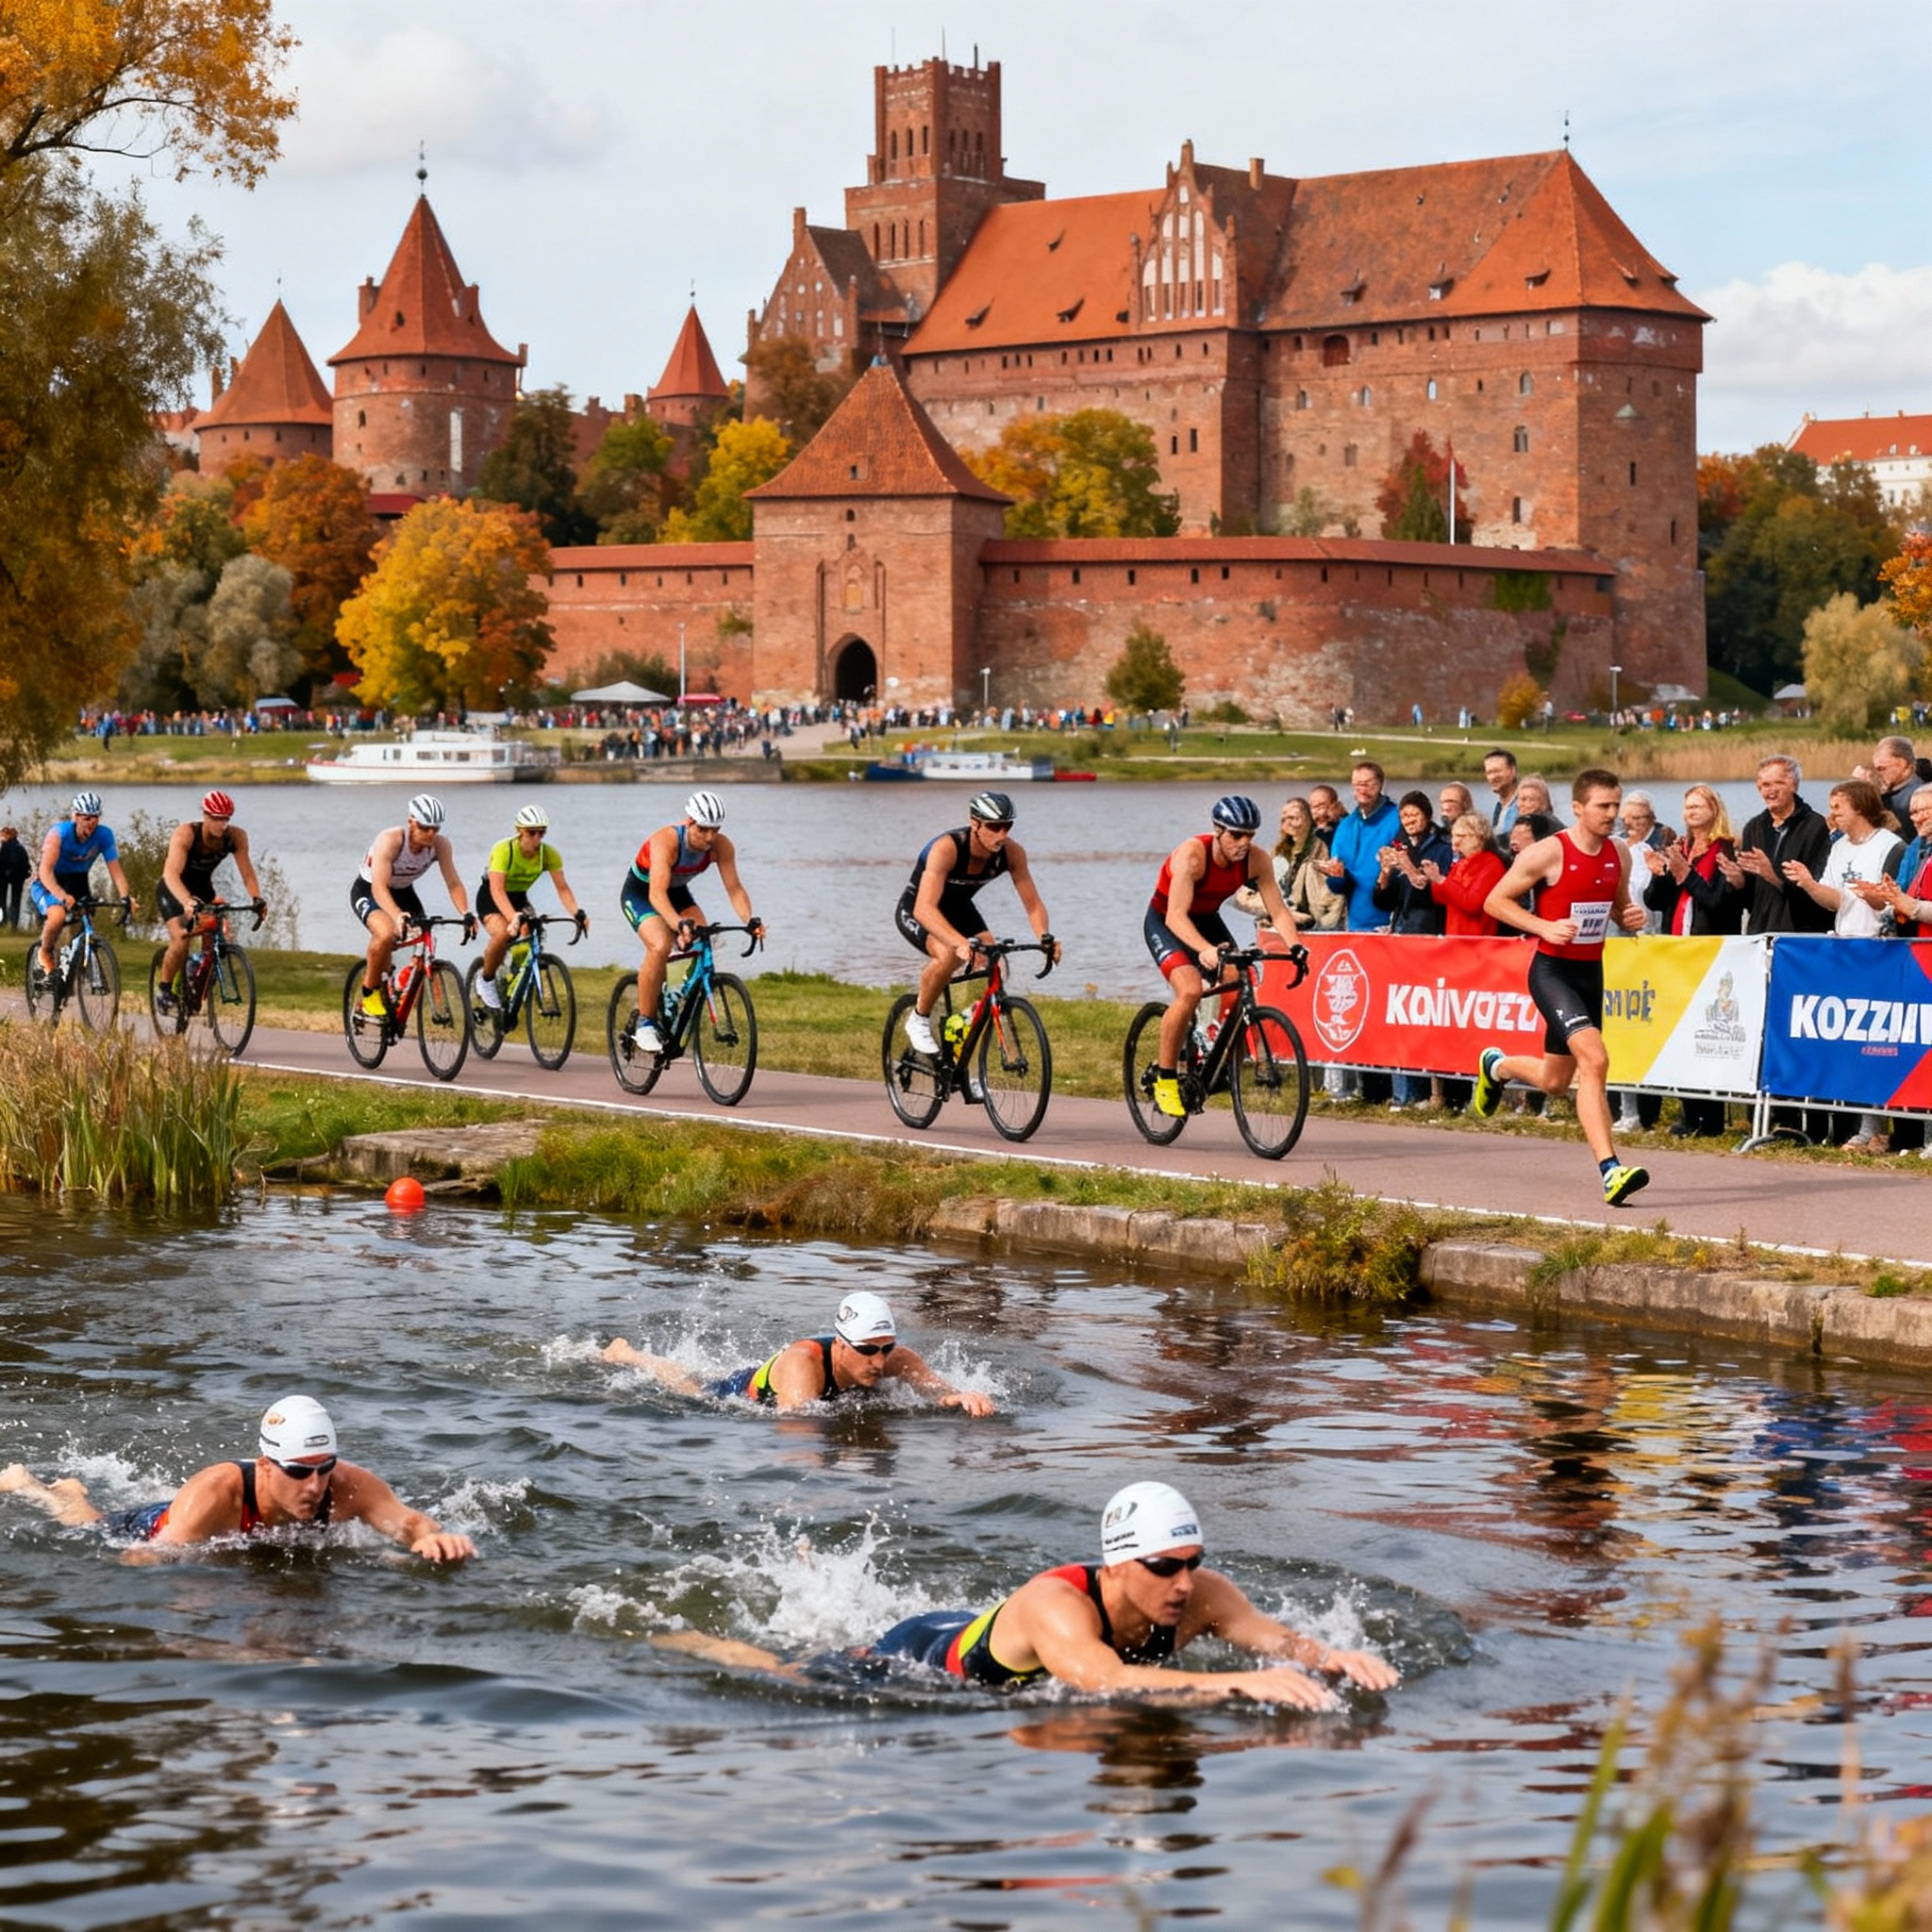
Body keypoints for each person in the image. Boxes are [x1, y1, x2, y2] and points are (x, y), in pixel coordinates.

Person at [659, 1482, 1398, 1708]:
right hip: (923, 1656)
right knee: (787, 1676)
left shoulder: (1203, 1594)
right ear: (1116, 1565)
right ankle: (681, 1639)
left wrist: (1333, 1657)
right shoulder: (1059, 1603)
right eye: (1164, 1566)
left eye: (1192, 1563)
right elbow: (1100, 1679)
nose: (1183, 1582)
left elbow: (1277, 1641)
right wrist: (1239, 1683)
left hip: (990, 1632)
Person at [0, 1395, 476, 1563]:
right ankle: (48, 1488)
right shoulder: (218, 1492)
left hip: (241, 1539)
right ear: (266, 1465)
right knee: (82, 1525)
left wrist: (434, 1541)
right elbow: (146, 1556)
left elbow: (411, 1525)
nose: (315, 1486)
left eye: (323, 1468)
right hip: (162, 1525)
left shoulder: (350, 1485)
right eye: (298, 1471)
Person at [1473, 769, 1651, 1206]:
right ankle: (1611, 1170)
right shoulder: (1548, 853)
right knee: (1596, 1058)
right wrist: (1542, 927)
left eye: (1616, 804)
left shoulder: (1621, 853)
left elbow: (1617, 903)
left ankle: (1496, 1066)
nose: (1613, 814)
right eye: (1603, 806)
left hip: (1591, 972)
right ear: (1578, 808)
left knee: (1555, 1081)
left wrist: (1628, 917)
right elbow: (1494, 900)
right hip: (1551, 972)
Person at [601, 1291, 995, 1416]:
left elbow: (936, 1391)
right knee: (692, 1387)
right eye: (866, 1351)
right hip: (740, 1391)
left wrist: (958, 1396)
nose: (879, 1361)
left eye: (885, 1349)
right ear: (840, 1346)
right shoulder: (803, 1365)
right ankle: (631, 1355)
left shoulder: (896, 1357)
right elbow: (797, 1434)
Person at [1144, 796, 1296, 1118]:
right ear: (1217, 830)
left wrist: (1296, 948)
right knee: (1190, 990)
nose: (1244, 843)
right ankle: (1166, 1080)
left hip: (1206, 918)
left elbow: (1278, 910)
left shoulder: (1256, 860)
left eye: (1250, 835)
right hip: (1167, 919)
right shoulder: (1193, 856)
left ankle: (1217, 1060)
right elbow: (1175, 917)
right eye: (1236, 835)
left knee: (1240, 979)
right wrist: (1204, 949)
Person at [1780, 779, 1904, 1154]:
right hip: (1845, 952)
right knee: (1852, 1044)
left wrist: (1875, 898)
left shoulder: (1889, 846)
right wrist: (1807, 884)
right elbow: (1835, 900)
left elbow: (1892, 901)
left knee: (1878, 1043)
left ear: (1860, 808)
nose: (1832, 813)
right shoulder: (1838, 847)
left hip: (1881, 951)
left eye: (1838, 806)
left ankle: (1879, 1129)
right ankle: (1862, 1127)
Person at [895, 791, 1058, 1058]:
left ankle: (963, 1035)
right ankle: (919, 1017)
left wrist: (1045, 937)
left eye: (1008, 826)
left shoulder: (1012, 853)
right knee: (948, 954)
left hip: (959, 909)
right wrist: (958, 943)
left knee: (996, 964)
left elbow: (1033, 904)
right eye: (994, 826)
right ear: (975, 823)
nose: (1002, 834)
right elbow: (924, 909)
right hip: (919, 909)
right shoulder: (947, 849)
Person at [621, 790, 763, 1053]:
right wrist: (677, 924)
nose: (710, 837)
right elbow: (656, 894)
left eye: (715, 830)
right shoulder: (666, 841)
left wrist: (750, 920)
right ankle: (645, 1023)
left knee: (702, 936)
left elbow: (734, 889)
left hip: (677, 892)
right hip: (642, 893)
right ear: (689, 822)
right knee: (660, 944)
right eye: (703, 829)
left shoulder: (721, 846)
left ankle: (672, 996)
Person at [1640, 786, 1746, 1138]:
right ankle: (1688, 1111)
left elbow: (1719, 903)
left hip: (1710, 950)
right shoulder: (1680, 847)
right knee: (1680, 1034)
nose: (1691, 811)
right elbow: (1657, 903)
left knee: (1706, 1034)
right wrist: (1660, 875)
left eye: (1699, 805)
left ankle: (1710, 1118)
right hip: (1676, 948)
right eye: (1687, 806)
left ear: (1715, 809)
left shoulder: (1725, 848)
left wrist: (1687, 874)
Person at [351, 794, 474, 1019]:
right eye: (424, 828)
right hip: (370, 890)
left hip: (404, 892)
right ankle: (369, 993)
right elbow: (379, 888)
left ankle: (398, 982)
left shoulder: (440, 845)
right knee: (386, 933)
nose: (430, 834)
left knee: (425, 938)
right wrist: (397, 916)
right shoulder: (391, 840)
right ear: (411, 822)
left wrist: (466, 913)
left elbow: (453, 882)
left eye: (434, 829)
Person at [154, 790, 264, 1017]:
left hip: (203, 890)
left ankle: (197, 969)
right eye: (216, 818)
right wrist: (186, 901)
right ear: (205, 815)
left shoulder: (236, 837)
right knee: (181, 939)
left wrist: (257, 898)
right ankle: (164, 990)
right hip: (174, 890)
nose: (222, 824)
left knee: (216, 933)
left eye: (226, 819)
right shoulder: (186, 834)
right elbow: (170, 874)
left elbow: (248, 874)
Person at [475, 802, 587, 1012]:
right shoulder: (504, 850)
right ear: (520, 831)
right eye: (531, 833)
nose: (537, 838)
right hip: (492, 897)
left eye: (541, 833)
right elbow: (497, 890)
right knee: (502, 934)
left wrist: (577, 913)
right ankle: (486, 980)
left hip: (519, 899)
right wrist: (512, 917)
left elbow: (563, 888)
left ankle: (514, 979)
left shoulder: (548, 854)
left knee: (532, 934)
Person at [29, 791, 137, 993]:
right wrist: (61, 896)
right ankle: (45, 953)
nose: (91, 823)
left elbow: (116, 872)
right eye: (86, 818)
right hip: (49, 881)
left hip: (78, 881)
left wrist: (125, 897)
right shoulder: (59, 833)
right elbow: (45, 871)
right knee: (58, 916)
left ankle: (81, 962)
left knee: (86, 918)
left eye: (95, 818)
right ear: (75, 817)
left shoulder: (104, 835)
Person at [1726, 755, 1832, 936]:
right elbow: (1749, 899)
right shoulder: (1754, 827)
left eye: (1778, 783)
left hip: (1800, 931)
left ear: (1794, 785)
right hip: (1761, 930)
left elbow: (1815, 887)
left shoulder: (1814, 825)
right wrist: (1739, 883)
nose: (1771, 791)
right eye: (1765, 785)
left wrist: (1773, 875)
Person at [1231, 797, 1342, 934]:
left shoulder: (1319, 845)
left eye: (1294, 818)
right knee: (1241, 894)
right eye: (1284, 819)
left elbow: (1320, 889)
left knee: (1307, 870)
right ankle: (1281, 915)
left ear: (1307, 820)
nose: (1288, 823)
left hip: (1309, 907)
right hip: (1281, 900)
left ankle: (1289, 916)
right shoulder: (1279, 849)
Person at [1483, 750, 1520, 834]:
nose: (1493, 777)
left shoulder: (1523, 806)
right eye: (1489, 773)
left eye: (1497, 771)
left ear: (1512, 771)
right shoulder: (1499, 808)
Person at [0, 824, 29, 929]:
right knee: (16, 901)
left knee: (1, 901)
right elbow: (25, 863)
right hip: (19, 878)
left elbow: (3, 862)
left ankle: (2, 922)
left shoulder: (5, 848)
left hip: (4, 877)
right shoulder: (20, 848)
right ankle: (14, 924)